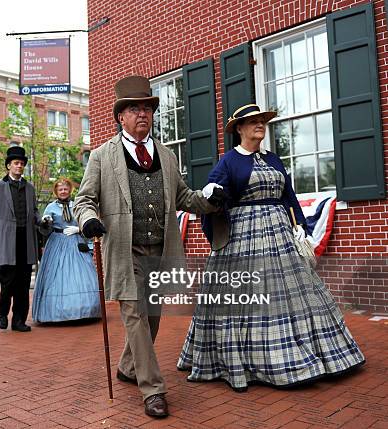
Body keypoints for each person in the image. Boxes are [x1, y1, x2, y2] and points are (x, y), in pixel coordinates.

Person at [177, 104, 365, 391]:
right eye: (253, 122)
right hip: (243, 238)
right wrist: (215, 194)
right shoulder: (229, 161)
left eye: (262, 121)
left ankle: (310, 353)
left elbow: (289, 194)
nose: (259, 125)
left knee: (294, 292)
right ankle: (252, 360)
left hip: (279, 233)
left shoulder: (274, 159)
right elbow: (211, 196)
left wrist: (300, 224)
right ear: (239, 129)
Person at [73, 75, 224, 418]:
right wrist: (88, 221)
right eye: (134, 108)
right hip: (126, 252)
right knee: (136, 317)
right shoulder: (101, 156)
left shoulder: (167, 156)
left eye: (147, 108)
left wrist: (211, 200)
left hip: (160, 249)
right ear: (120, 117)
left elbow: (184, 197)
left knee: (152, 320)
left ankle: (128, 366)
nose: (142, 114)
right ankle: (153, 390)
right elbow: (84, 201)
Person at [0, 145, 45, 332]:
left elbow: (34, 212)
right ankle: (2, 313)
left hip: (26, 240)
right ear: (9, 165)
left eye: (22, 164)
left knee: (24, 285)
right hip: (6, 241)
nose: (20, 166)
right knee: (8, 283)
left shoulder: (30, 188)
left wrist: (42, 222)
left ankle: (19, 321)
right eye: (16, 163)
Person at [32, 178, 100, 323]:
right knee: (56, 276)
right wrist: (46, 223)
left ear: (70, 190)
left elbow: (85, 222)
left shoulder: (76, 205)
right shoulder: (50, 207)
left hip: (75, 242)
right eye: (60, 189)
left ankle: (85, 310)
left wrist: (79, 229)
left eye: (65, 189)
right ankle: (56, 312)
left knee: (81, 275)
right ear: (56, 191)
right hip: (57, 243)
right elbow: (44, 231)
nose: (63, 191)